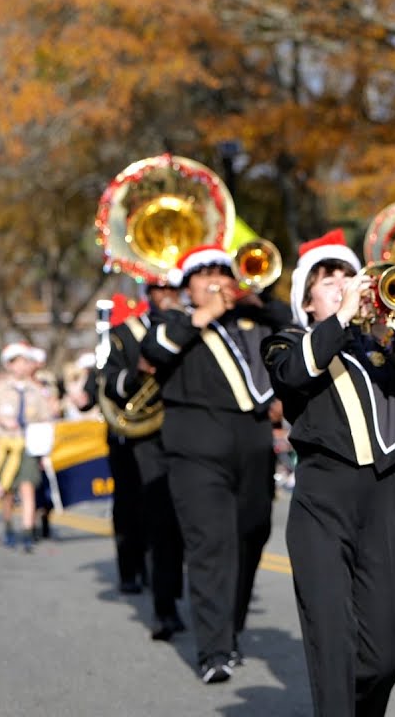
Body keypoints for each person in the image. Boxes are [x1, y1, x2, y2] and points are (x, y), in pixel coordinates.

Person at [262, 230, 395, 715]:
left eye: (348, 274)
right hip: (323, 499)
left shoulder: (379, 348)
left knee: (383, 658)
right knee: (332, 645)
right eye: (328, 280)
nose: (344, 284)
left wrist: (390, 333)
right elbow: (291, 377)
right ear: (307, 301)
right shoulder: (289, 342)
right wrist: (341, 320)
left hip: (384, 500)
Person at [140, 243, 290, 684]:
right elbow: (158, 350)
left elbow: (289, 323)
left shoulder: (251, 317)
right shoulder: (173, 320)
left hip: (253, 440)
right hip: (194, 447)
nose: (215, 280)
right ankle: (214, 650)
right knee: (211, 544)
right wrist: (202, 313)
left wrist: (253, 300)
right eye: (203, 273)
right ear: (187, 286)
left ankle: (232, 625)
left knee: (252, 532)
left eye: (222, 272)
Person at [102, 284, 188, 639]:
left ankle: (177, 591)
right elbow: (109, 382)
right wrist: (136, 373)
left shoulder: (195, 323)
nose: (167, 293)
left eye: (173, 286)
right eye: (160, 287)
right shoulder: (126, 334)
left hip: (192, 429)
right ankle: (163, 604)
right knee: (156, 516)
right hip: (147, 438)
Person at [0, 343, 57, 552]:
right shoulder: (0, 389)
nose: (23, 366)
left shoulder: (36, 390)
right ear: (9, 365)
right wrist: (0, 419)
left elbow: (46, 418)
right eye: (18, 362)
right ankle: (8, 525)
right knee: (7, 491)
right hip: (7, 445)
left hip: (29, 446)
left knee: (28, 487)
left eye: (26, 362)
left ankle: (27, 531)